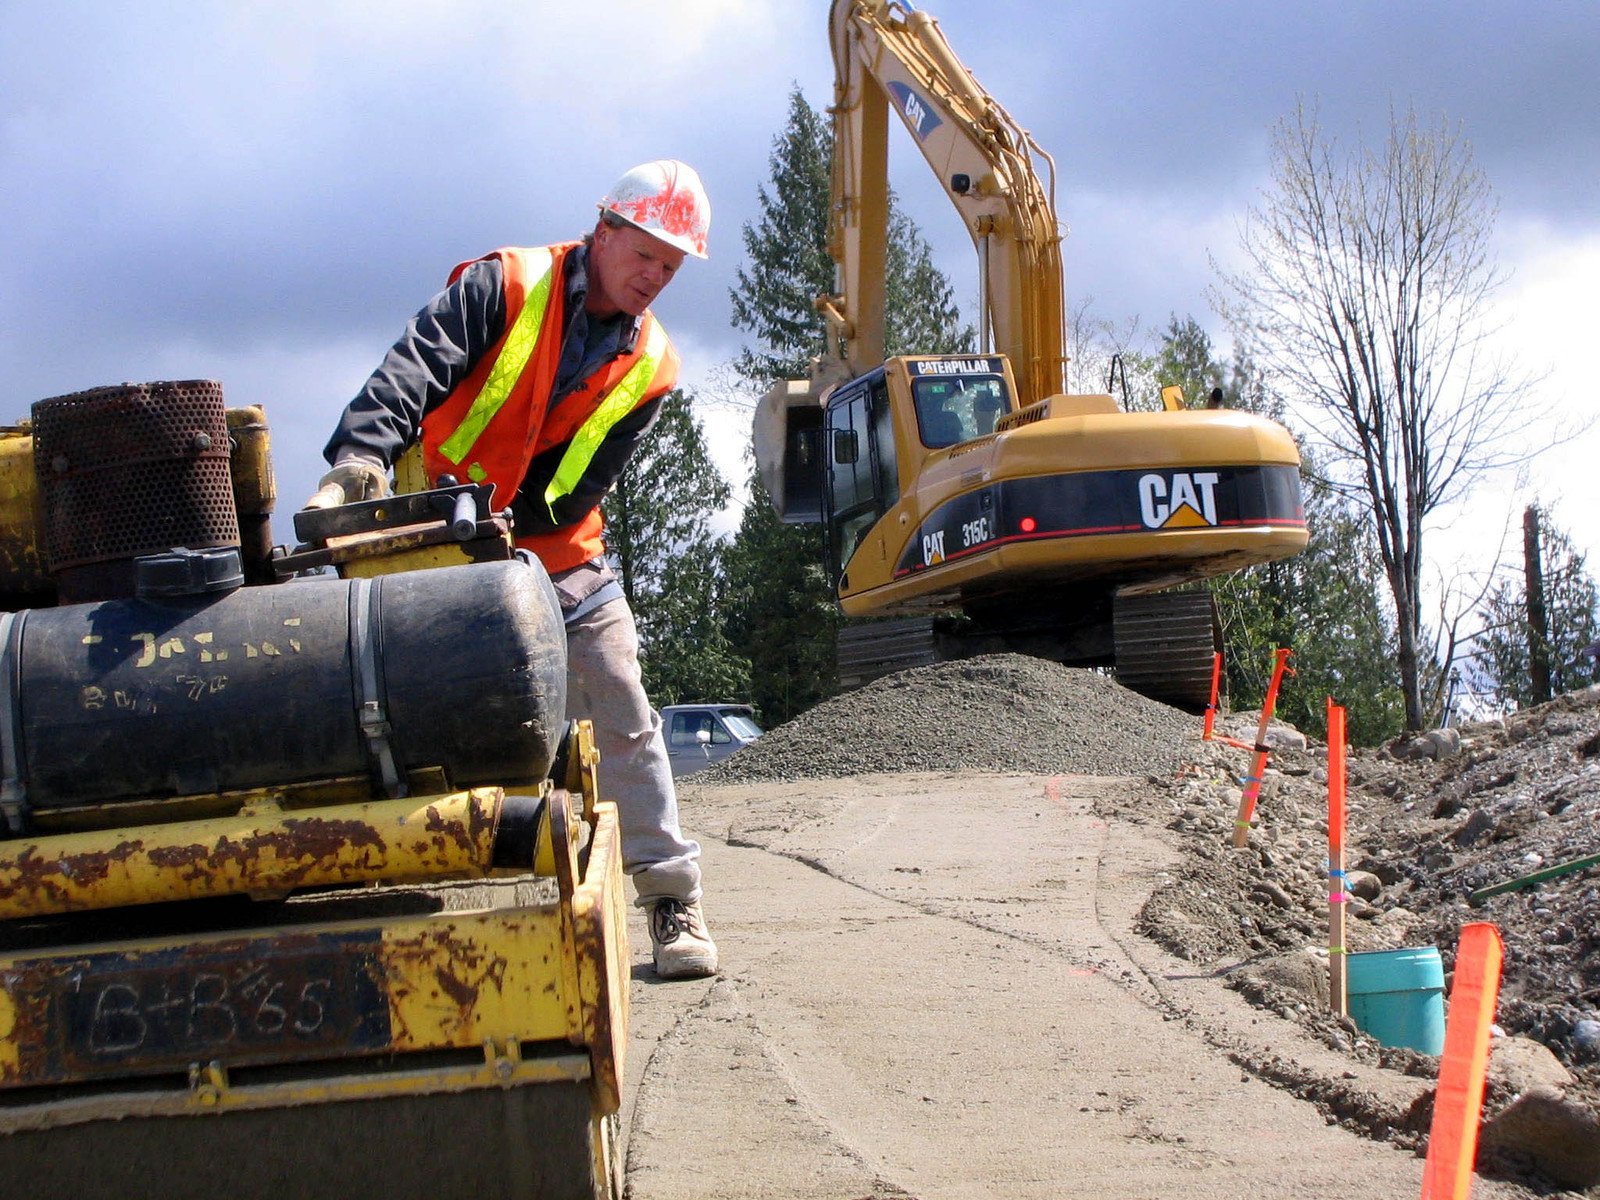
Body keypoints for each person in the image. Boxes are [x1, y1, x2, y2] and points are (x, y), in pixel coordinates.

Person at [306, 160, 718, 979]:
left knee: (620, 698)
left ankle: (672, 901)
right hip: (437, 536)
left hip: (558, 548)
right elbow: (414, 367)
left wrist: (508, 546)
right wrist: (360, 459)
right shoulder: (506, 284)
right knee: (391, 701)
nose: (653, 278)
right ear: (603, 232)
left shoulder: (653, 367)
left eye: (670, 268)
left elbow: (575, 489)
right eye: (644, 254)